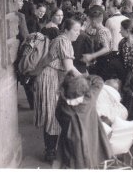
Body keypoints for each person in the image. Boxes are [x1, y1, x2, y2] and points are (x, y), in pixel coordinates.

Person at [34, 19, 82, 163]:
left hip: (53, 77)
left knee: (54, 114)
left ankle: (52, 149)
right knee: (52, 115)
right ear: (66, 29)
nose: (78, 34)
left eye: (79, 31)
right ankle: (50, 152)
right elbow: (69, 67)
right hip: (49, 78)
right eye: (75, 30)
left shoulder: (63, 40)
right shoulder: (63, 41)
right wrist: (87, 79)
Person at [55, 74, 113, 168]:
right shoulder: (89, 99)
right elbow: (98, 81)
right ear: (85, 89)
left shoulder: (63, 105)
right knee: (90, 161)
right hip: (90, 139)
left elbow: (57, 115)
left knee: (72, 163)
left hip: (71, 141)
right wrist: (82, 75)